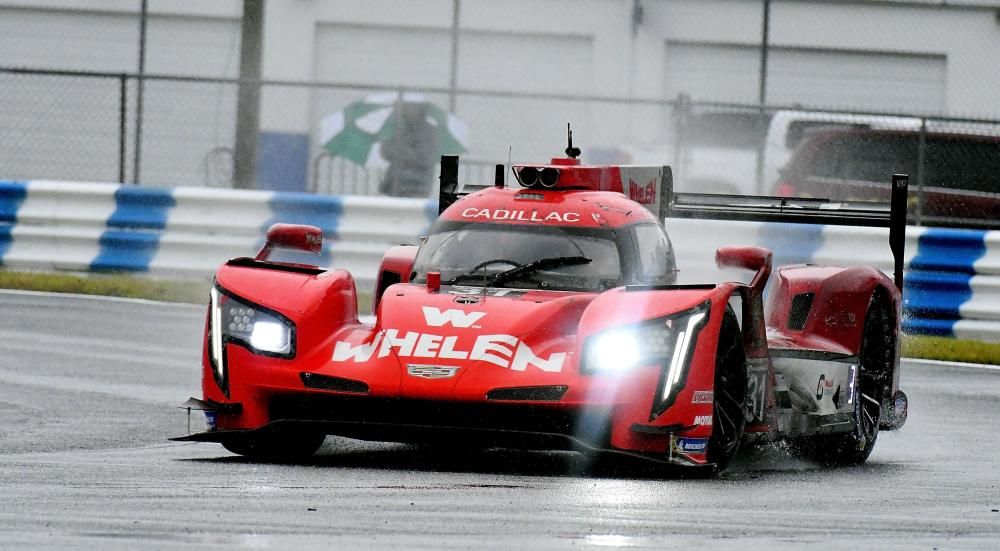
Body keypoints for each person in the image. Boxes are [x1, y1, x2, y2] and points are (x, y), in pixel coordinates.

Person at [379, 102, 438, 198]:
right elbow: (385, 151)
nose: (405, 110)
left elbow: (424, 157)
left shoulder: (428, 131)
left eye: (410, 107)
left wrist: (404, 153)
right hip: (394, 184)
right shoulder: (398, 128)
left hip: (417, 185)